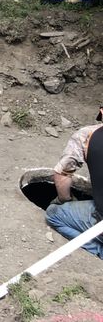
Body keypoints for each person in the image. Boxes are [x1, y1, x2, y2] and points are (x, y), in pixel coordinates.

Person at [45, 104, 103, 259]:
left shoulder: (87, 136)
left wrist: (64, 200)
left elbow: (62, 173)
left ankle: (99, 251)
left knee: (53, 214)